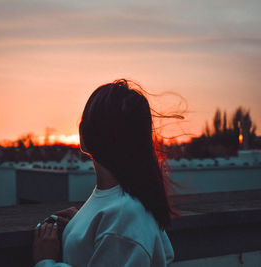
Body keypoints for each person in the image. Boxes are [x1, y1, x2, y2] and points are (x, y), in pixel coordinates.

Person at [33, 79, 178, 266]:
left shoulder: (124, 217)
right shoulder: (123, 207)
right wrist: (83, 226)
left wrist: (46, 261)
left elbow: (120, 235)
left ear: (83, 132)